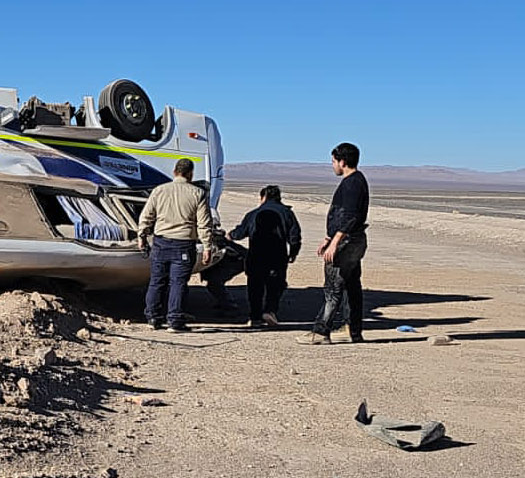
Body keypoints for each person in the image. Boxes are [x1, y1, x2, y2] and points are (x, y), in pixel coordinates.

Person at [300, 143, 370, 344]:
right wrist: (328, 238)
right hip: (350, 239)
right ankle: (351, 330)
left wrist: (335, 242)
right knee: (350, 285)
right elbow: (343, 215)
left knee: (333, 288)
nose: (332, 166)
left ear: (342, 161)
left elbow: (350, 215)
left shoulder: (352, 183)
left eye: (333, 161)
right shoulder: (356, 181)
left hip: (347, 241)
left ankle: (321, 331)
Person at [137, 158, 216, 331]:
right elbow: (204, 223)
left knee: (157, 280)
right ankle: (174, 320)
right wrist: (207, 247)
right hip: (183, 244)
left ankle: (153, 317)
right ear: (190, 173)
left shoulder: (159, 191)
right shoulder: (198, 193)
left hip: (160, 242)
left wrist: (141, 235)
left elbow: (147, 215)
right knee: (178, 283)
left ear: (174, 172)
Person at [230, 184, 302, 327]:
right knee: (275, 285)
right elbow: (295, 237)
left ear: (263, 197)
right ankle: (270, 311)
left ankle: (255, 316)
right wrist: (293, 253)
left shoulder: (254, 214)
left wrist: (230, 235)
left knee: (255, 286)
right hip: (278, 256)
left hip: (256, 256)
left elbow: (240, 233)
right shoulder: (287, 213)